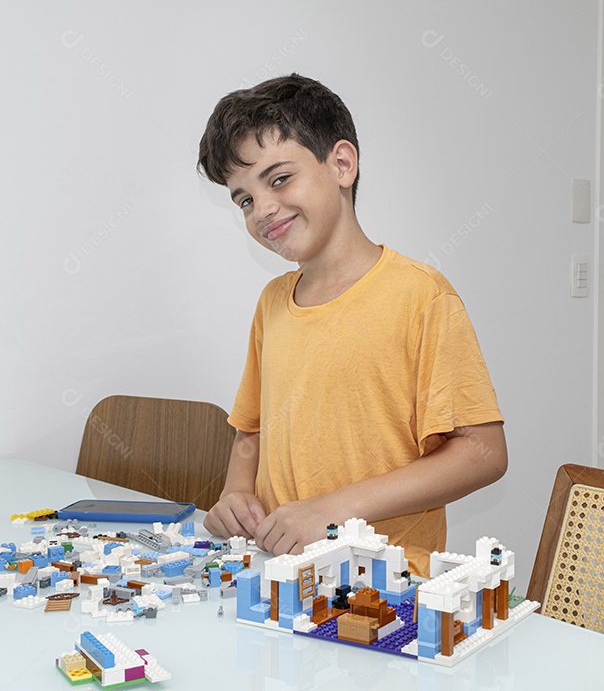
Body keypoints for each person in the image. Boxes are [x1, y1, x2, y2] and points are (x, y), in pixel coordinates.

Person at [196, 73, 506, 574]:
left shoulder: (421, 295)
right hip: (283, 572)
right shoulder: (272, 301)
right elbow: (250, 431)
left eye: (278, 179)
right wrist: (235, 492)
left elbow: (483, 452)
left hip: (388, 583)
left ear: (341, 164)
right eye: (245, 200)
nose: (262, 210)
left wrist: (331, 512)